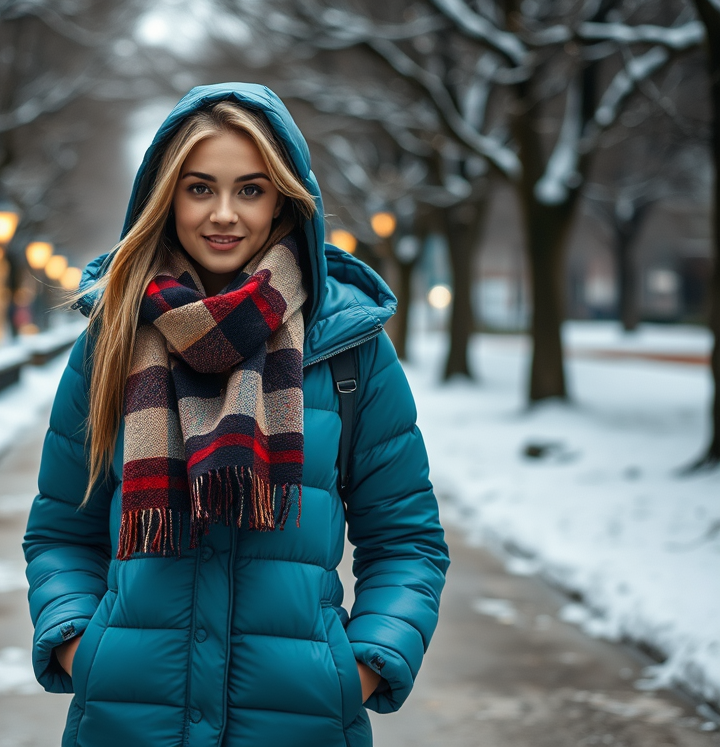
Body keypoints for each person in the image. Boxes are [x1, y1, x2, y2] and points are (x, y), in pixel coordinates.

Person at [23, 83, 449, 747]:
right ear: (166, 197)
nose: (224, 214)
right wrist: (84, 649)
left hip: (298, 723)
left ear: (284, 197)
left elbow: (406, 541)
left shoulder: (349, 349)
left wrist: (359, 668)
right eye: (200, 188)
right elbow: (61, 532)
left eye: (250, 189)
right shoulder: (109, 340)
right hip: (130, 722)